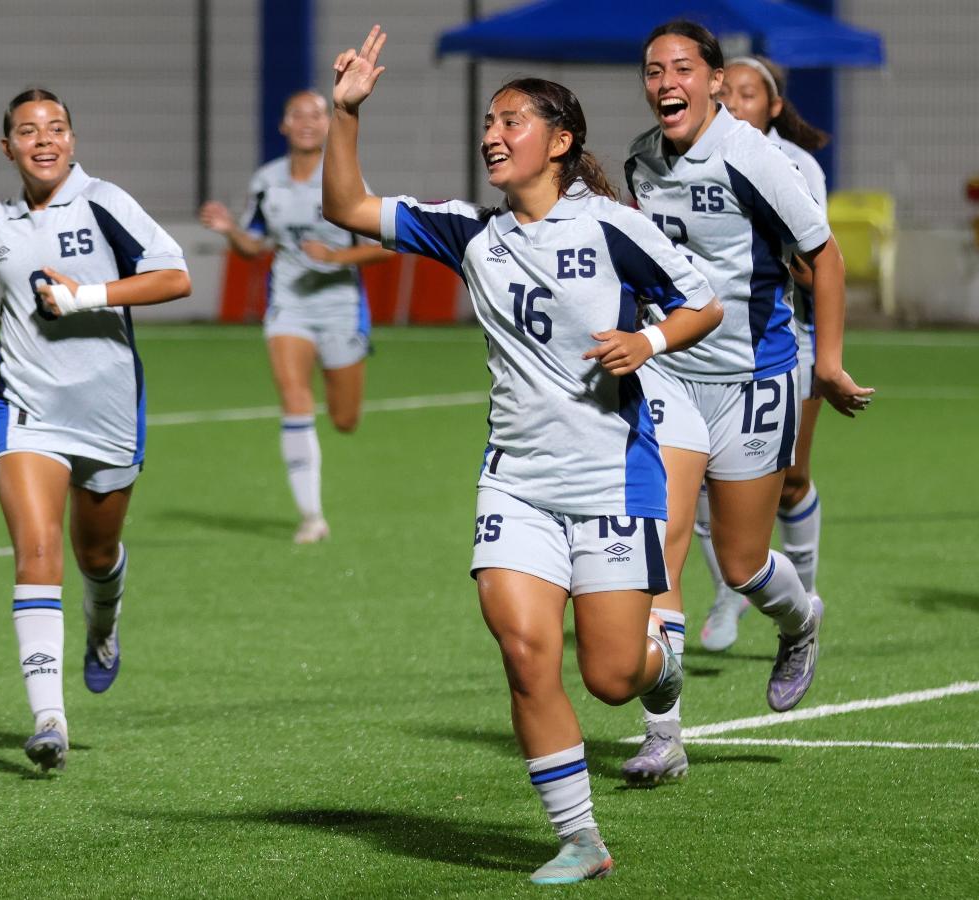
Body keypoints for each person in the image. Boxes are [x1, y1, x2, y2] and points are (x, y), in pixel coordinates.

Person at [323, 26, 723, 883]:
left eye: (511, 120)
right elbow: (348, 209)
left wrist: (648, 341)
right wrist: (345, 113)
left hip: (612, 479)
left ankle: (663, 667)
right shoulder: (471, 233)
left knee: (614, 677)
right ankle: (580, 838)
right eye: (487, 122)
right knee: (524, 651)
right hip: (517, 484)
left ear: (562, 141)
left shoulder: (614, 228)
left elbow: (704, 304)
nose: (492, 135)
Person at [620, 21, 873, 785]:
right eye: (653, 68)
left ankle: (801, 622)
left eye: (681, 68)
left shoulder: (751, 156)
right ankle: (662, 734)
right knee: (658, 541)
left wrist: (824, 362)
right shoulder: (640, 160)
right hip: (669, 373)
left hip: (753, 377)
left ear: (712, 78)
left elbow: (822, 256)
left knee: (740, 561)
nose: (666, 81)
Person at [0, 88, 191, 773]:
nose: (44, 139)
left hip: (107, 410)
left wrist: (86, 295)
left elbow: (175, 276)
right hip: (25, 405)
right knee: (37, 550)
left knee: (95, 554)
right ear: (6, 147)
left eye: (56, 128)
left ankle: (104, 622)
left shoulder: (104, 202)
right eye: (28, 131)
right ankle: (49, 721)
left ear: (72, 140)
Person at [200, 89, 392, 544]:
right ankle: (311, 517)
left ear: (328, 125)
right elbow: (254, 245)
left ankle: (336, 396)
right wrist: (230, 230)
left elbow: (387, 246)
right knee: (293, 397)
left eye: (316, 115)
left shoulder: (345, 179)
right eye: (297, 114)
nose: (307, 122)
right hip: (290, 304)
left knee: (345, 419)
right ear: (284, 125)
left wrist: (335, 257)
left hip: (341, 305)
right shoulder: (267, 180)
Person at [697, 55, 831, 651]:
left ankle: (800, 602)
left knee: (793, 480)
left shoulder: (790, 164)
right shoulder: (678, 155)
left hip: (786, 342)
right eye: (730, 92)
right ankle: (731, 589)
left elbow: (816, 262)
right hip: (701, 352)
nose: (738, 102)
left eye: (750, 94)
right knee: (698, 487)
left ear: (773, 106)